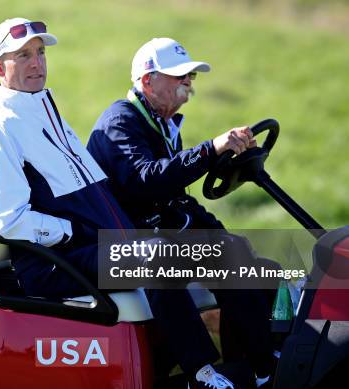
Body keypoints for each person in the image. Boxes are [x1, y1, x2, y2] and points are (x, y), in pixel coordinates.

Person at [0, 20, 235, 389]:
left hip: (91, 248)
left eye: (40, 53)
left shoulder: (45, 111)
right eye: (23, 55)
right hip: (53, 264)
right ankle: (200, 373)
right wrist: (71, 230)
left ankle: (252, 362)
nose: (36, 63)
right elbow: (9, 221)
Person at [87, 37, 275, 388]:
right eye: (178, 75)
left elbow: (176, 198)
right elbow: (148, 180)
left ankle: (263, 366)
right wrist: (209, 150)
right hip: (124, 243)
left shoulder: (163, 125)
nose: (188, 81)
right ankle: (200, 373)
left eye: (190, 75)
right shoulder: (120, 122)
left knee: (250, 260)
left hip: (157, 233)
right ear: (147, 82)